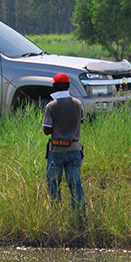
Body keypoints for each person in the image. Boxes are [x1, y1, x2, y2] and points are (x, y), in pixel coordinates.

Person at [42, 72, 86, 223]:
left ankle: (56, 219)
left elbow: (46, 130)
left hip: (57, 152)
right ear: (68, 86)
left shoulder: (51, 106)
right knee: (75, 185)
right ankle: (80, 219)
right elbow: (80, 121)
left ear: (54, 86)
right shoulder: (78, 104)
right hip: (75, 151)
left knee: (53, 185)